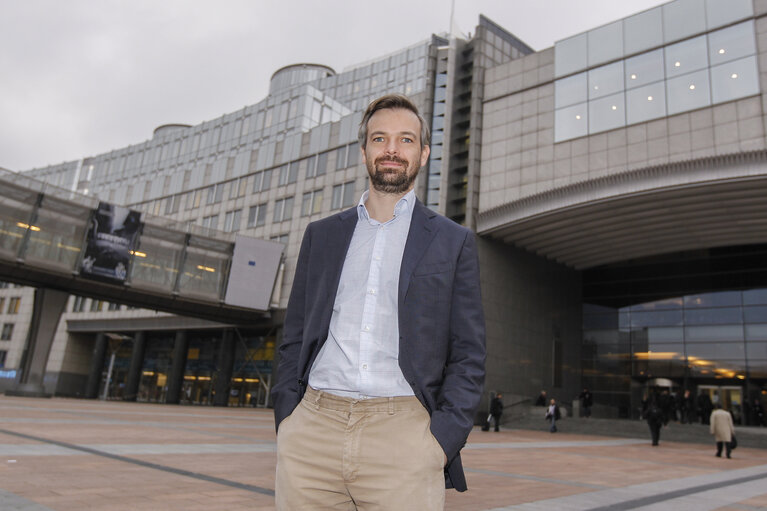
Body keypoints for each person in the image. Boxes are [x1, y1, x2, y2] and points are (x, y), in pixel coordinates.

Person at [271, 93, 486, 510]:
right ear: (365, 150)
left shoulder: (453, 241)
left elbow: (468, 353)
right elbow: (294, 334)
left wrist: (440, 441)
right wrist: (289, 421)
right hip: (313, 431)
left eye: (405, 140)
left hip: (404, 435)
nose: (391, 149)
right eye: (380, 139)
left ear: (423, 153)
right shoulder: (322, 235)